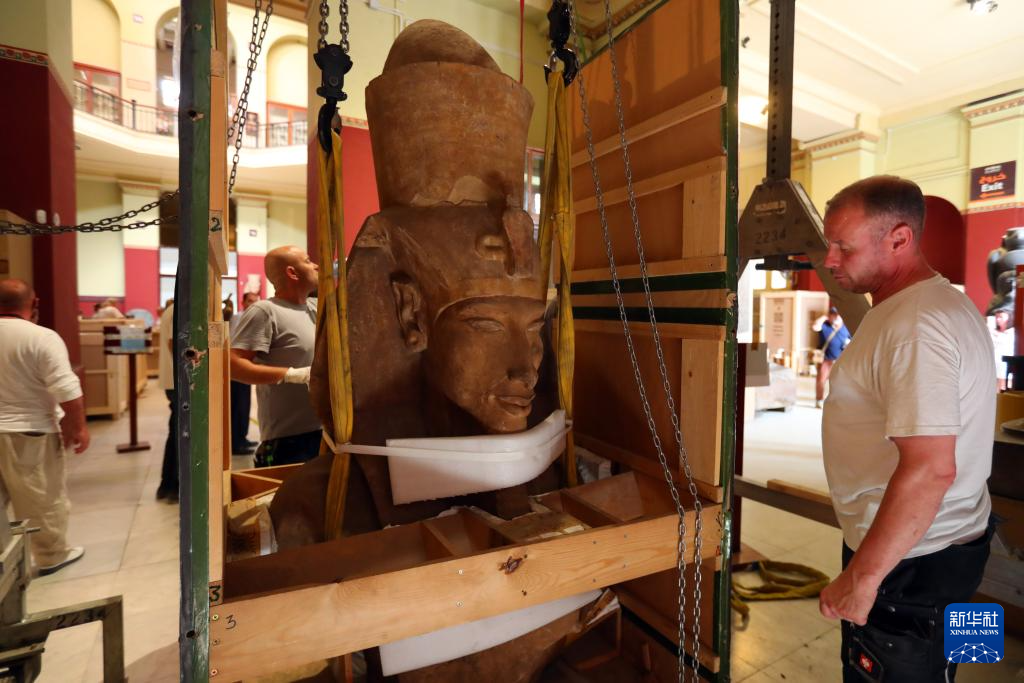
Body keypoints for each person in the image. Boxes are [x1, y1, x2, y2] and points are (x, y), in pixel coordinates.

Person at [818, 176, 996, 682]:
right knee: (946, 666)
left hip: (910, 566)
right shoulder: (940, 304)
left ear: (899, 239)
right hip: (945, 550)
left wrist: (863, 578)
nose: (829, 260)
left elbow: (931, 469)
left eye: (843, 247)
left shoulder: (915, 325)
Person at [0, 279, 89, 575]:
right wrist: (79, 427)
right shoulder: (41, 337)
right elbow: (66, 388)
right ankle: (51, 555)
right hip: (30, 431)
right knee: (42, 499)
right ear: (34, 303)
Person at [230, 246, 320, 467]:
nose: (316, 266)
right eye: (308, 261)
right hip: (290, 438)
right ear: (292, 272)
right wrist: (292, 375)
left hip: (325, 429)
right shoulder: (265, 311)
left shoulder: (317, 308)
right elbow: (233, 365)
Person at [229, 291, 260, 455]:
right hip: (238, 367)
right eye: (250, 301)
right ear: (243, 302)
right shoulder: (237, 318)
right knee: (237, 405)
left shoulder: (255, 319)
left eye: (256, 301)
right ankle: (236, 442)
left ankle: (242, 437)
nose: (253, 304)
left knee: (245, 404)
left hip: (248, 366)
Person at [156, 299, 178, 502]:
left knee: (175, 432)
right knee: (181, 434)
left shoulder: (170, 310)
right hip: (178, 382)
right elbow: (174, 343)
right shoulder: (180, 310)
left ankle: (167, 485)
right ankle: (174, 486)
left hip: (173, 381)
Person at [815, 306, 851, 408]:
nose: (835, 317)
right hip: (826, 359)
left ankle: (837, 401)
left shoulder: (845, 328)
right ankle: (819, 400)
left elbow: (851, 340)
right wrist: (824, 317)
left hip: (840, 360)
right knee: (821, 380)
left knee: (839, 382)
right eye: (833, 315)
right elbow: (815, 327)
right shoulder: (825, 326)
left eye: (837, 315)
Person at [990, 307, 1014, 390]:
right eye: (996, 317)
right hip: (994, 363)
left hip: (1005, 364)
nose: (998, 319)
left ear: (1008, 317)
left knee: (1004, 387)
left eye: (1000, 317)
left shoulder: (1012, 332)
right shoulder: (992, 331)